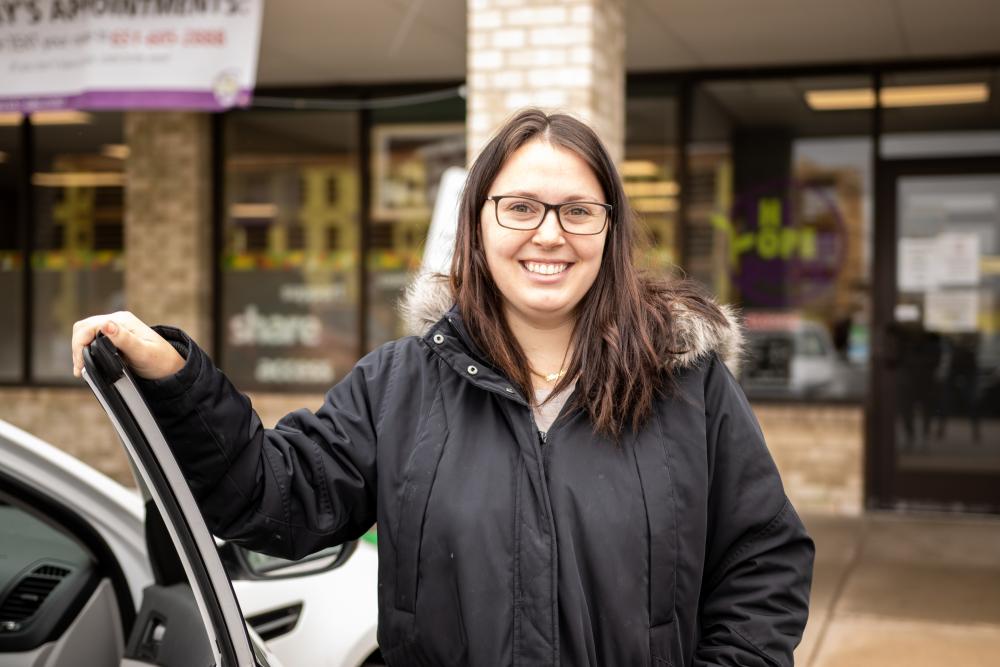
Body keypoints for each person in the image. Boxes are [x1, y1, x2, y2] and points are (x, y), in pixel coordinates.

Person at [72, 108, 813, 667]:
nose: (549, 234)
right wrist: (172, 375)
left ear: (609, 231)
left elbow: (764, 558)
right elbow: (271, 496)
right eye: (520, 207)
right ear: (479, 226)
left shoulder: (689, 388)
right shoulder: (397, 386)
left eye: (578, 211)